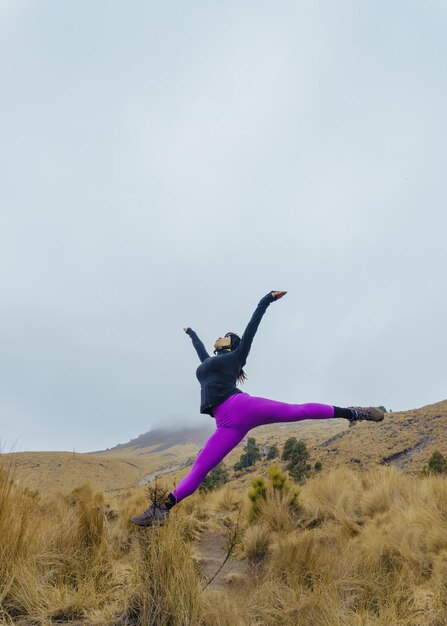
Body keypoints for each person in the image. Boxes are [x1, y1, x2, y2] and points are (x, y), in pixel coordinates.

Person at [131, 290, 384, 526]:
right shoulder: (209, 362)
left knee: (297, 411)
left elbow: (251, 328)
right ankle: (161, 511)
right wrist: (191, 333)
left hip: (241, 407)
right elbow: (200, 351)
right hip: (226, 425)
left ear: (231, 344)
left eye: (225, 335)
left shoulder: (236, 356)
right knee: (200, 467)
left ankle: (354, 413)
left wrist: (266, 301)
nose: (220, 336)